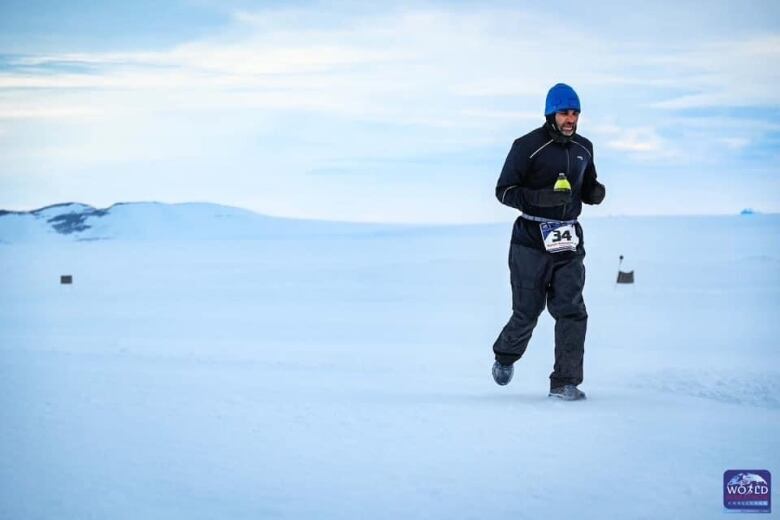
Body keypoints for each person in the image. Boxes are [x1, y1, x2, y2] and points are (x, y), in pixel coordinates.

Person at [491, 83, 605, 401]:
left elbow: (587, 184)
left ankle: (565, 382)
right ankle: (504, 356)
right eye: (564, 113)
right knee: (528, 311)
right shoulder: (527, 146)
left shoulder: (584, 148)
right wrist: (540, 198)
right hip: (530, 239)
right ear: (550, 113)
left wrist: (593, 192)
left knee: (571, 310)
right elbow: (504, 191)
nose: (570, 119)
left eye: (575, 113)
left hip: (567, 238)